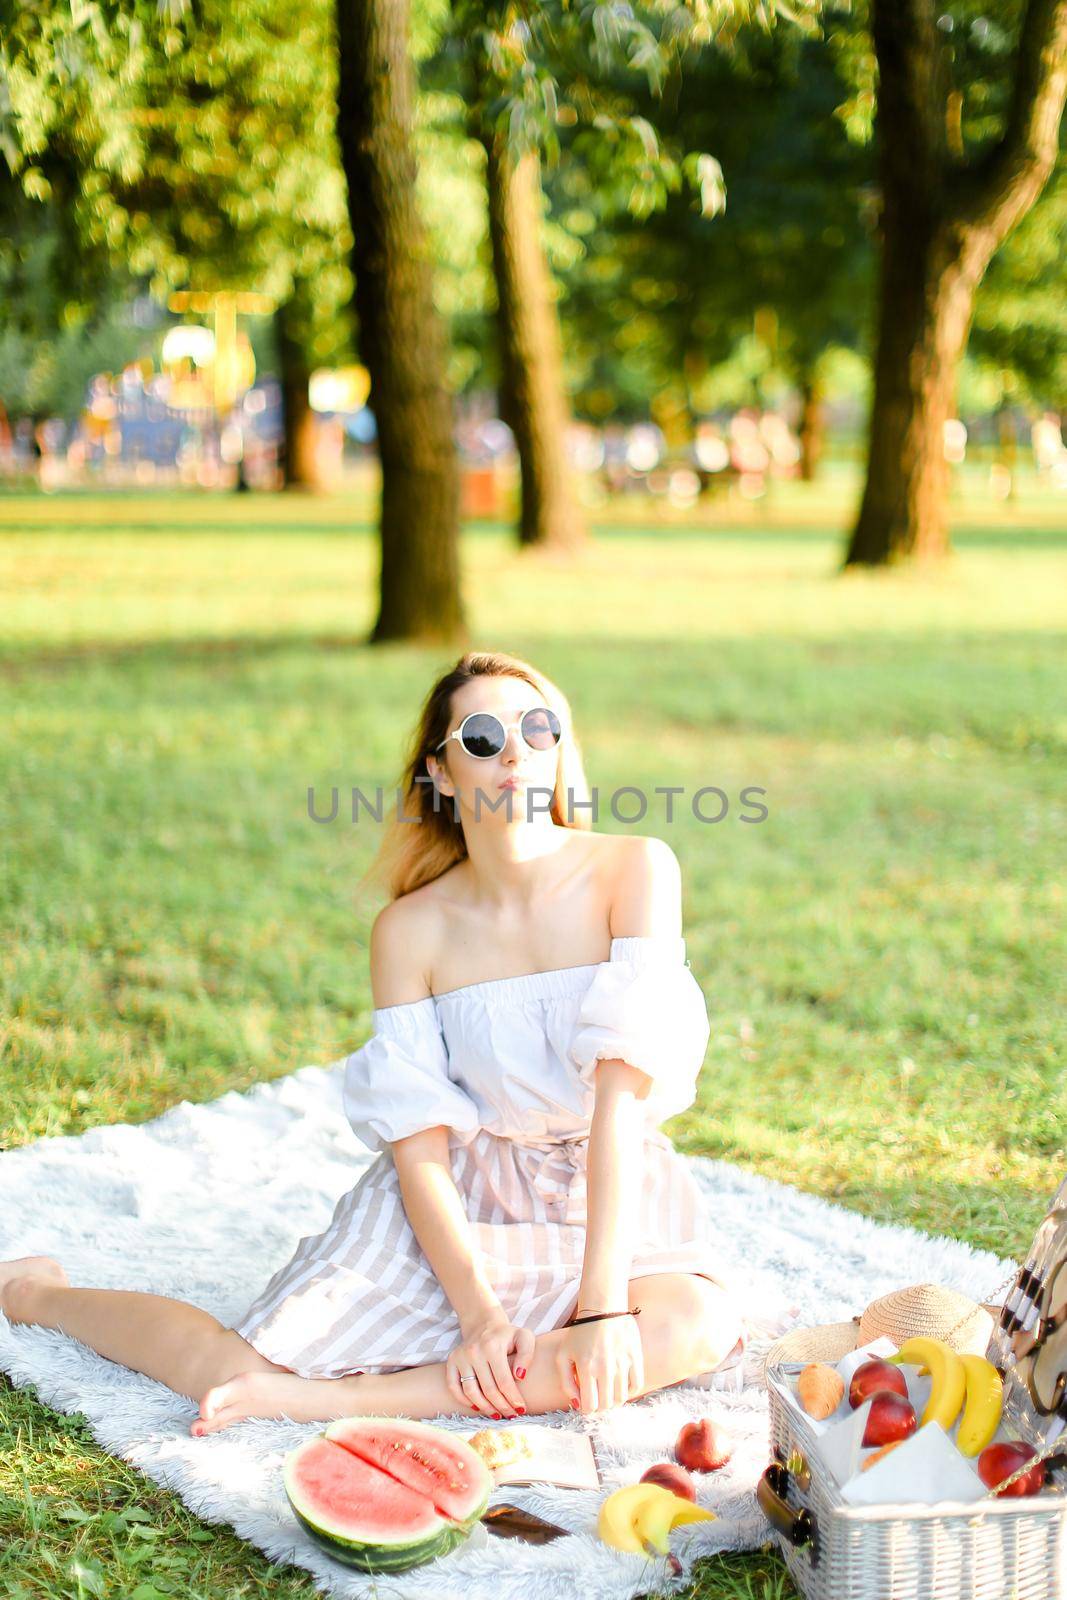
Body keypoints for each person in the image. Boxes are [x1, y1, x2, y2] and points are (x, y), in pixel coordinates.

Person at [1, 650, 760, 1437]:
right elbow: (418, 1145)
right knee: (234, 1368)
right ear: (439, 772)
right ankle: (35, 1294)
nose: (514, 751)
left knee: (688, 1327)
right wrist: (478, 1315)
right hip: (465, 1197)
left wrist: (601, 1308)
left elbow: (618, 1109)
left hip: (609, 1185)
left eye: (539, 728)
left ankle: (330, 1404)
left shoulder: (634, 868)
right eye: (482, 735)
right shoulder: (409, 930)